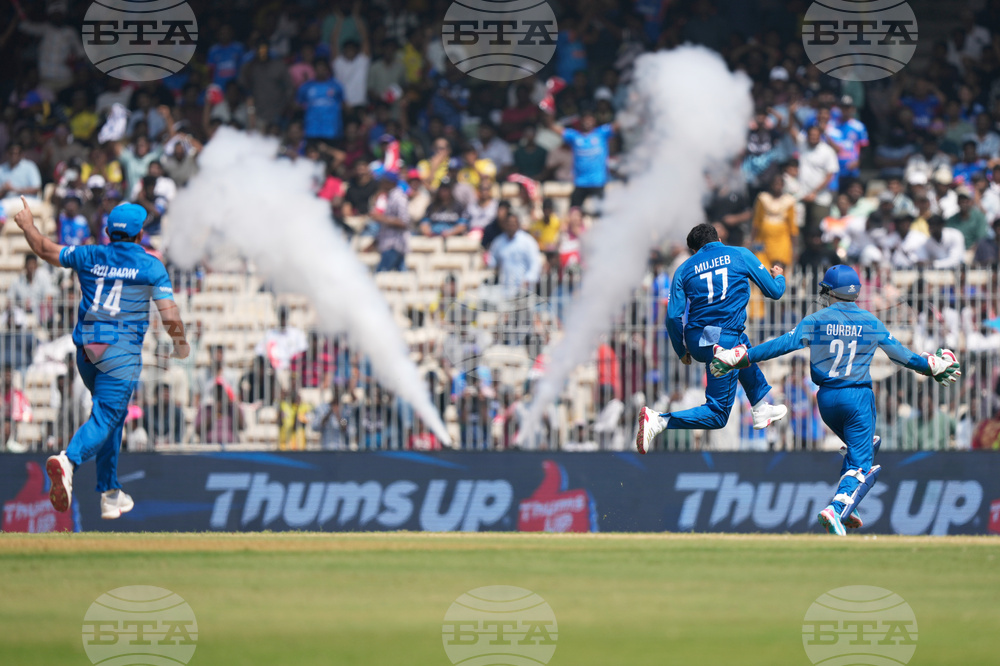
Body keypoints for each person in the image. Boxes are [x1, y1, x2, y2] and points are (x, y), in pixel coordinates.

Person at [710, 265, 961, 535]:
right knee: (863, 466)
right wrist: (930, 367)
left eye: (825, 290)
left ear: (830, 291)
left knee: (868, 445)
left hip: (827, 400)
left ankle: (848, 504)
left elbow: (780, 345)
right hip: (857, 397)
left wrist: (741, 357)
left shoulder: (816, 320)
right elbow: (901, 356)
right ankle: (838, 508)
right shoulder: (870, 321)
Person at [12, 198, 188, 520]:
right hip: (120, 356)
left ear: (108, 231)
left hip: (87, 353)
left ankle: (110, 492)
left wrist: (27, 225)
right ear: (141, 235)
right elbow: (169, 313)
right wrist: (180, 343)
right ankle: (69, 460)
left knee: (112, 416)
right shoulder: (151, 265)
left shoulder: (91, 254)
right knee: (107, 417)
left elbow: (46, 250)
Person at [636, 223, 788, 454]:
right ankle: (659, 420)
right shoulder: (739, 254)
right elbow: (774, 293)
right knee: (718, 415)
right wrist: (779, 278)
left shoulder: (684, 269)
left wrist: (681, 350)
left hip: (698, 341)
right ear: (717, 237)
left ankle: (759, 407)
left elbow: (672, 318)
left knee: (742, 345)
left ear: (694, 250)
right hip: (723, 341)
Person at [544, 108, 618, 208]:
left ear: (594, 121)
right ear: (581, 121)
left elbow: (619, 124)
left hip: (598, 182)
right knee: (573, 211)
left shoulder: (601, 133)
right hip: (580, 183)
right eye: (585, 120)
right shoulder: (574, 136)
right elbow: (551, 126)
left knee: (601, 213)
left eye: (590, 119)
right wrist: (549, 109)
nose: (587, 122)